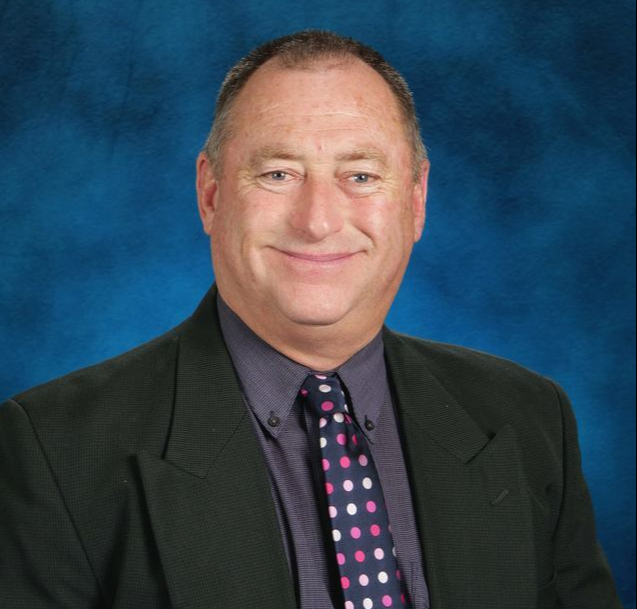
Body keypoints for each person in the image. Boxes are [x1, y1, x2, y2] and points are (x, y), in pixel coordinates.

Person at [0, 30, 621, 609]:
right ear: (211, 194)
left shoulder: (530, 417)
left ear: (415, 201)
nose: (318, 221)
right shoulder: (53, 448)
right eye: (278, 174)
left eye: (360, 175)